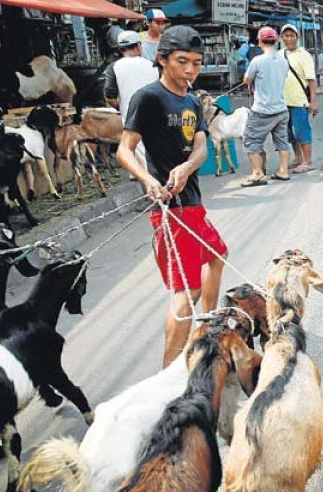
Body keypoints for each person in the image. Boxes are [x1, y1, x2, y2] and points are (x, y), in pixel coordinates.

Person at [116, 25, 227, 367]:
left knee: (218, 255)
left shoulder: (192, 99)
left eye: (196, 62)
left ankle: (207, 328)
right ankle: (167, 376)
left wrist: (187, 168)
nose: (190, 70)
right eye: (182, 61)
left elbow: (201, 149)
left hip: (191, 201)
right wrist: (149, 179)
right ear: (162, 59)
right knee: (185, 293)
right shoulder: (147, 97)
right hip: (170, 208)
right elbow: (124, 150)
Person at [104, 30, 159, 181]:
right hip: (157, 116)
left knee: (144, 160)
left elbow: (109, 96)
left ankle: (156, 195)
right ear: (138, 47)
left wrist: (121, 108)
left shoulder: (114, 68)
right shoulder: (152, 65)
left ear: (121, 49)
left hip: (132, 119)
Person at [242, 26, 291, 186]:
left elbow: (247, 81)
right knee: (282, 141)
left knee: (251, 140)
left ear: (260, 41)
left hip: (262, 110)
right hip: (281, 109)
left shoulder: (257, 61)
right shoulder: (284, 60)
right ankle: (283, 171)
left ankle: (257, 173)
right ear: (276, 40)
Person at [281, 24, 318, 173]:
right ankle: (298, 158)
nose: (289, 38)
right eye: (286, 35)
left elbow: (311, 80)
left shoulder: (304, 55)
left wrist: (313, 101)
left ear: (297, 38)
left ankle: (307, 161)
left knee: (302, 130)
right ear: (281, 38)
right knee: (288, 132)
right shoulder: (279, 54)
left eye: (292, 35)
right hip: (283, 101)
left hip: (300, 100)